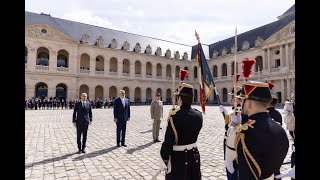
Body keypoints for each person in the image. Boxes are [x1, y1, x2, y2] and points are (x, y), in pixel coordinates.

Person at [234, 81, 289, 179]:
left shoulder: (247, 134)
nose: (240, 103)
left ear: (249, 104)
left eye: (243, 100)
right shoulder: (279, 129)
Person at [160, 83, 203, 180]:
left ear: (180, 99)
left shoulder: (174, 117)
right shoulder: (199, 115)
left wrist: (164, 159)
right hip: (194, 156)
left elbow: (168, 142)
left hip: (179, 159)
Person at [219, 86, 243, 180]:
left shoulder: (241, 113)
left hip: (234, 149)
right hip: (228, 147)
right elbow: (228, 129)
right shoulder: (231, 113)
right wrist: (225, 114)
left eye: (232, 97)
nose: (231, 99)